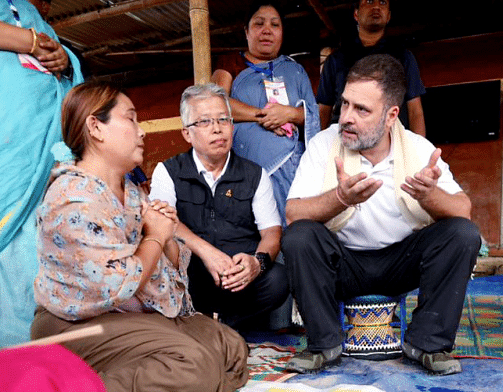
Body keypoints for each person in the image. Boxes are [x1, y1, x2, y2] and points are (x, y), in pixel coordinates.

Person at [30, 81, 249, 391]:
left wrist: (168, 237)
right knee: (194, 364)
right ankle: (80, 384)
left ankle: (178, 376)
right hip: (76, 326)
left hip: (128, 318)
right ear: (96, 127)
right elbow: (116, 286)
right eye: (130, 118)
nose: (142, 131)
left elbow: (165, 268)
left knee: (230, 347)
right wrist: (155, 237)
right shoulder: (73, 196)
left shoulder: (132, 195)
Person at [282, 54, 480, 375]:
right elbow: (293, 213)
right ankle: (323, 344)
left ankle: (427, 343)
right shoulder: (324, 144)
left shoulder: (417, 149)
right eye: (344, 104)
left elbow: (463, 211)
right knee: (300, 236)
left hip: (401, 263)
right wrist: (339, 198)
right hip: (343, 264)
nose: (346, 117)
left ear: (391, 115)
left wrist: (430, 196)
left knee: (462, 234)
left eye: (361, 110)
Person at [149, 83, 288, 329]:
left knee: (279, 279)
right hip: (191, 277)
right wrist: (207, 253)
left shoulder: (255, 174)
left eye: (223, 120)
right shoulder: (168, 171)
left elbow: (272, 233)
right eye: (204, 122)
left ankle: (226, 325)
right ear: (186, 134)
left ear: (232, 126)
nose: (217, 129)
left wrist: (256, 263)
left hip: (238, 279)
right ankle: (197, 322)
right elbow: (161, 222)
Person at [0, 0, 83, 347]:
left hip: (47, 155)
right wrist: (29, 42)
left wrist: (65, 59)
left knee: (39, 253)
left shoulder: (31, 15)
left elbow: (69, 77)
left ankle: (43, 355)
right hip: (10, 152)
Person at [211, 0, 319, 227]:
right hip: (246, 170)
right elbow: (216, 103)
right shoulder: (231, 62)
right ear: (246, 31)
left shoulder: (295, 69)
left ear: (282, 33)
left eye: (275, 25)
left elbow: (312, 116)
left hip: (295, 172)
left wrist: (288, 114)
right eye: (259, 24)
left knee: (297, 231)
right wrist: (264, 115)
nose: (267, 30)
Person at [317, 0, 427, 136]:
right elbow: (323, 111)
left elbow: (415, 111)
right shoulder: (336, 60)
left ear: (388, 16)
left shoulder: (403, 57)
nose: (376, 7)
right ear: (356, 14)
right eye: (369, 1)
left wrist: (418, 153)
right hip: (346, 141)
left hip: (392, 143)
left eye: (382, 2)